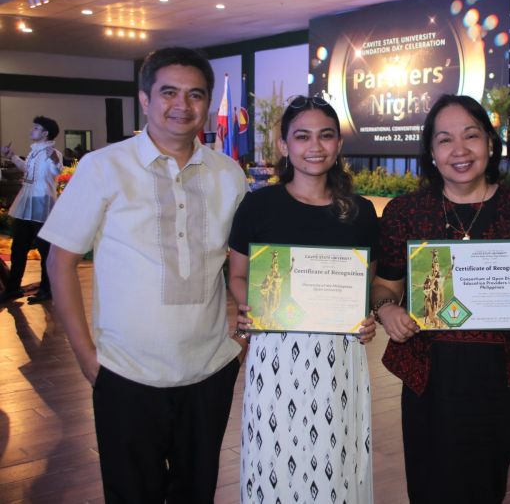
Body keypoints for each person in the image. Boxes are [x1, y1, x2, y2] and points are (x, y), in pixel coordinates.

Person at [40, 47, 249, 504]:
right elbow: (60, 261)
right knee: (132, 494)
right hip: (124, 373)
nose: (183, 105)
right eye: (169, 92)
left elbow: (244, 267)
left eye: (196, 94)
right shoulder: (103, 167)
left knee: (196, 494)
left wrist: (242, 346)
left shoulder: (229, 174)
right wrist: (86, 357)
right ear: (145, 99)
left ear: (209, 104)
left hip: (209, 370)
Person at [370, 94, 510, 503]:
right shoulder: (405, 213)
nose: (460, 150)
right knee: (428, 487)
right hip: (428, 377)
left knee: (486, 485)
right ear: (431, 153)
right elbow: (385, 287)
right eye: (445, 140)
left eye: (471, 136)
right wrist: (387, 311)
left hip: (496, 376)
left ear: (490, 144)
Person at [228, 95, 379, 503]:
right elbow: (238, 274)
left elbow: (369, 285)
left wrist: (369, 318)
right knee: (274, 456)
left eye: (326, 136)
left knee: (337, 457)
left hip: (339, 356)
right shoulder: (259, 205)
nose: (315, 147)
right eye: (302, 136)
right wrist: (252, 306)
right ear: (284, 146)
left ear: (339, 144)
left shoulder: (360, 211)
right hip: (276, 349)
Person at [0, 116, 63, 303]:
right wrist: (11, 156)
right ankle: (13, 288)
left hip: (42, 203)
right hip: (27, 202)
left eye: (36, 128)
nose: (31, 131)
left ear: (45, 133)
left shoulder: (53, 152)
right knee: (19, 247)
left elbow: (56, 171)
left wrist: (53, 159)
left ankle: (46, 289)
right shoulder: (34, 152)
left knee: (45, 250)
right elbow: (26, 169)